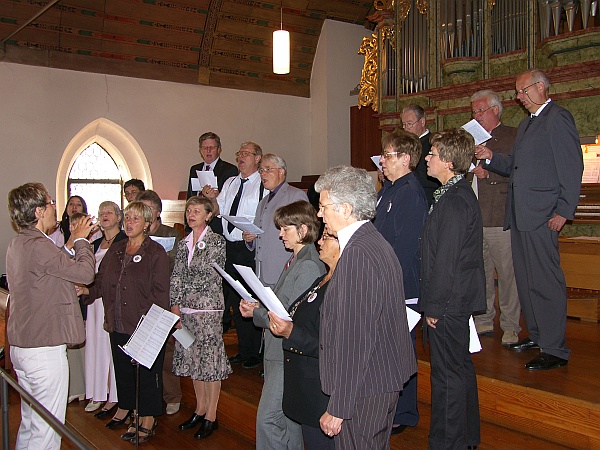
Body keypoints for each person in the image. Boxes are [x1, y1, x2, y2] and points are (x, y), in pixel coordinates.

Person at [476, 69, 583, 370]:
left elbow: (571, 166)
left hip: (543, 214)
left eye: (522, 91)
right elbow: (514, 166)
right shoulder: (527, 125)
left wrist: (564, 210)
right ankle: (537, 336)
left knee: (545, 282)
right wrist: (489, 156)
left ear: (540, 88)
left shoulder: (558, 118)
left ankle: (555, 348)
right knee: (526, 280)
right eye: (518, 92)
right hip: (521, 215)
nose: (518, 97)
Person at [314, 166, 417, 449]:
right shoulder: (371, 240)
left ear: (345, 208)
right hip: (378, 379)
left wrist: (339, 407)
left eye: (323, 206)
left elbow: (355, 338)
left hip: (365, 387)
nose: (320, 214)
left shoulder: (358, 254)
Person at [6, 182, 95, 449]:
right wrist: (81, 240)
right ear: (37, 212)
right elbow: (85, 274)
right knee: (48, 430)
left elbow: (47, 273)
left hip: (24, 344)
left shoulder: (20, 242)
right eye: (49, 203)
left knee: (32, 423)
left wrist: (68, 249)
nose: (55, 207)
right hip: (43, 349)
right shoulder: (39, 245)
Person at [78, 201, 170, 444]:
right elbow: (101, 281)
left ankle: (148, 418)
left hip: (143, 324)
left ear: (147, 224)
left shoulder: (155, 252)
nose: (129, 223)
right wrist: (84, 292)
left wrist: (152, 327)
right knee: (124, 372)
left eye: (135, 219)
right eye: (127, 218)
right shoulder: (117, 249)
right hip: (117, 321)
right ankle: (133, 412)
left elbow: (161, 293)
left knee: (146, 375)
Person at [240, 200, 325, 450]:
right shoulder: (296, 259)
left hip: (286, 352)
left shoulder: (308, 265)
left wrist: (258, 313)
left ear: (303, 230)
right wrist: (258, 305)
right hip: (278, 350)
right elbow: (281, 304)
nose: (280, 234)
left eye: (285, 229)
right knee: (288, 421)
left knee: (268, 420)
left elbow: (293, 318)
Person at [420, 129, 485, 449]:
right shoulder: (452, 194)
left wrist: (433, 307)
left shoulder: (456, 201)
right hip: (453, 299)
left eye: (432, 154)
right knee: (458, 371)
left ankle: (449, 443)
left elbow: (446, 260)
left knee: (447, 378)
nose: (427, 158)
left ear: (447, 161)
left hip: (449, 302)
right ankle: (467, 437)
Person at [374, 129, 428, 434]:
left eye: (388, 155)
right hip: (386, 281)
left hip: (401, 286)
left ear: (405, 159)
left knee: (401, 350)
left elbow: (405, 246)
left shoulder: (409, 191)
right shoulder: (389, 188)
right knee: (389, 350)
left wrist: (387, 285)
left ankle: (405, 412)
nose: (382, 160)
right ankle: (392, 407)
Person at [269, 228, 340, 450]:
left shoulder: (341, 287)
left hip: (321, 389)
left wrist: (291, 332)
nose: (319, 241)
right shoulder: (323, 278)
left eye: (326, 237)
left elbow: (331, 345)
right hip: (306, 385)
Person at [170, 197, 232, 439]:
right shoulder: (184, 242)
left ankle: (211, 416)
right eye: (188, 210)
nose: (191, 214)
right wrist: (175, 306)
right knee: (193, 359)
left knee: (210, 362)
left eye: (197, 211)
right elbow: (175, 276)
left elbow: (209, 276)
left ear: (208, 215)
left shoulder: (216, 241)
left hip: (207, 309)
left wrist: (183, 295)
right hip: (185, 310)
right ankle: (199, 408)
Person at [203, 142, 266, 368]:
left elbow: (268, 215)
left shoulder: (262, 183)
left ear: (258, 158)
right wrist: (209, 198)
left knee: (250, 298)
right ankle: (244, 349)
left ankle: (256, 352)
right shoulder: (230, 182)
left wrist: (257, 234)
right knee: (234, 299)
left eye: (246, 154)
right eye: (239, 153)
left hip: (251, 248)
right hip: (230, 247)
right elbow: (218, 210)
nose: (241, 157)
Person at [467, 89, 521, 346]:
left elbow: (519, 171)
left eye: (480, 110)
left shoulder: (512, 135)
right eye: (474, 111)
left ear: (495, 110)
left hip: (500, 215)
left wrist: (489, 171)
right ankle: (484, 318)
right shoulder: (471, 139)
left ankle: (510, 325)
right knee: (482, 273)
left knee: (508, 275)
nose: (476, 115)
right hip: (476, 218)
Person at [137, 189, 183, 414]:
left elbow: (178, 265)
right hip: (142, 298)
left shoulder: (170, 233)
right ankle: (148, 396)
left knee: (167, 351)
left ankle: (172, 395)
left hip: (164, 296)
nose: (144, 214)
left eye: (148, 209)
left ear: (157, 212)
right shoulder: (137, 234)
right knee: (144, 349)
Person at [243, 154, 309, 297]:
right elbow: (259, 234)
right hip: (261, 271)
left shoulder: (295, 195)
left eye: (268, 169)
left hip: (282, 269)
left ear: (281, 172)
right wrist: (250, 239)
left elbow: (304, 236)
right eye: (261, 170)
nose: (263, 174)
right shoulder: (263, 201)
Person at [84, 201, 126, 416]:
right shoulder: (95, 243)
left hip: (112, 302)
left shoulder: (125, 241)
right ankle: (97, 392)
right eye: (101, 212)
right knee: (95, 346)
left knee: (110, 349)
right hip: (94, 301)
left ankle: (115, 396)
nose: (104, 215)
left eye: (109, 212)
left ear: (119, 217)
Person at [186, 132, 238, 236]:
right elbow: (190, 196)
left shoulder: (229, 170)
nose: (208, 151)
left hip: (215, 223)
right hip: (195, 222)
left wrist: (217, 196)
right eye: (205, 148)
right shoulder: (194, 169)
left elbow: (230, 200)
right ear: (200, 151)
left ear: (219, 149)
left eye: (212, 148)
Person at [402, 104, 441, 206]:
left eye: (410, 124)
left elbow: (433, 178)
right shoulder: (405, 145)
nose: (406, 128)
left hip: (426, 199)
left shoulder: (433, 143)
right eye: (404, 124)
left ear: (422, 122)